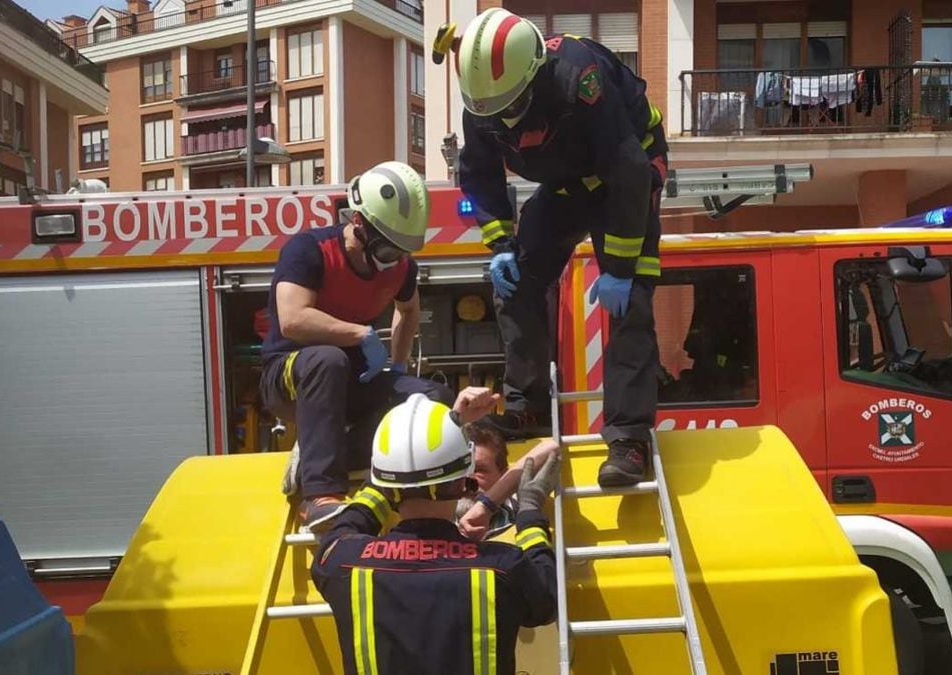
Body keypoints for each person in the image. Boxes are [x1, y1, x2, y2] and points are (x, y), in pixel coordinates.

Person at [450, 8, 668, 487]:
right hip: (567, 183)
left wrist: (621, 268)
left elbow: (628, 170)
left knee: (630, 301)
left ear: (535, 74)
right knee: (517, 280)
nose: (505, 119)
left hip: (626, 174)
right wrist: (500, 244)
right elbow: (480, 176)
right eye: (493, 112)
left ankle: (628, 441)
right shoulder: (484, 101)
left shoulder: (579, 78)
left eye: (513, 106)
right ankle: (526, 407)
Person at [259, 161, 454, 532]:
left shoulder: (401, 269)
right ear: (360, 224)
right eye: (387, 250)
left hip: (351, 377)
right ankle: (319, 496)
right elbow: (293, 319)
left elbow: (408, 310)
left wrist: (398, 366)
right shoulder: (309, 250)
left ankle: (334, 456)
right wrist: (360, 335)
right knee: (328, 361)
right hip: (291, 373)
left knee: (429, 397)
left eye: (401, 251)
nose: (393, 260)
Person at [312, 389, 560, 675]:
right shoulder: (502, 567)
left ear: (385, 482)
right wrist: (529, 511)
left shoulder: (340, 561)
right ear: (461, 481)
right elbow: (546, 600)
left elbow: (353, 520)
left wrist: (409, 460)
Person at [457, 423, 560, 540]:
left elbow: (552, 449)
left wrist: (486, 505)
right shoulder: (435, 512)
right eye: (460, 470)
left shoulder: (520, 507)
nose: (467, 479)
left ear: (503, 475)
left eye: (479, 470)